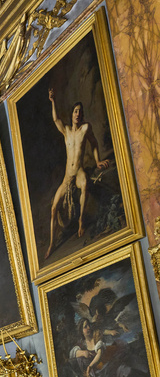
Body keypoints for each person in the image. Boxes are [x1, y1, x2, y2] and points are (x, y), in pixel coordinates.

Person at [45, 88, 111, 257]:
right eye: (76, 111)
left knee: (85, 184)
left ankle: (81, 220)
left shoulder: (85, 129)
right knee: (53, 209)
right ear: (72, 114)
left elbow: (94, 143)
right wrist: (53, 101)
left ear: (82, 116)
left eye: (80, 112)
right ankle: (51, 244)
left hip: (79, 171)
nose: (78, 114)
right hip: (68, 176)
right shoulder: (66, 131)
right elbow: (55, 119)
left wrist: (97, 161)